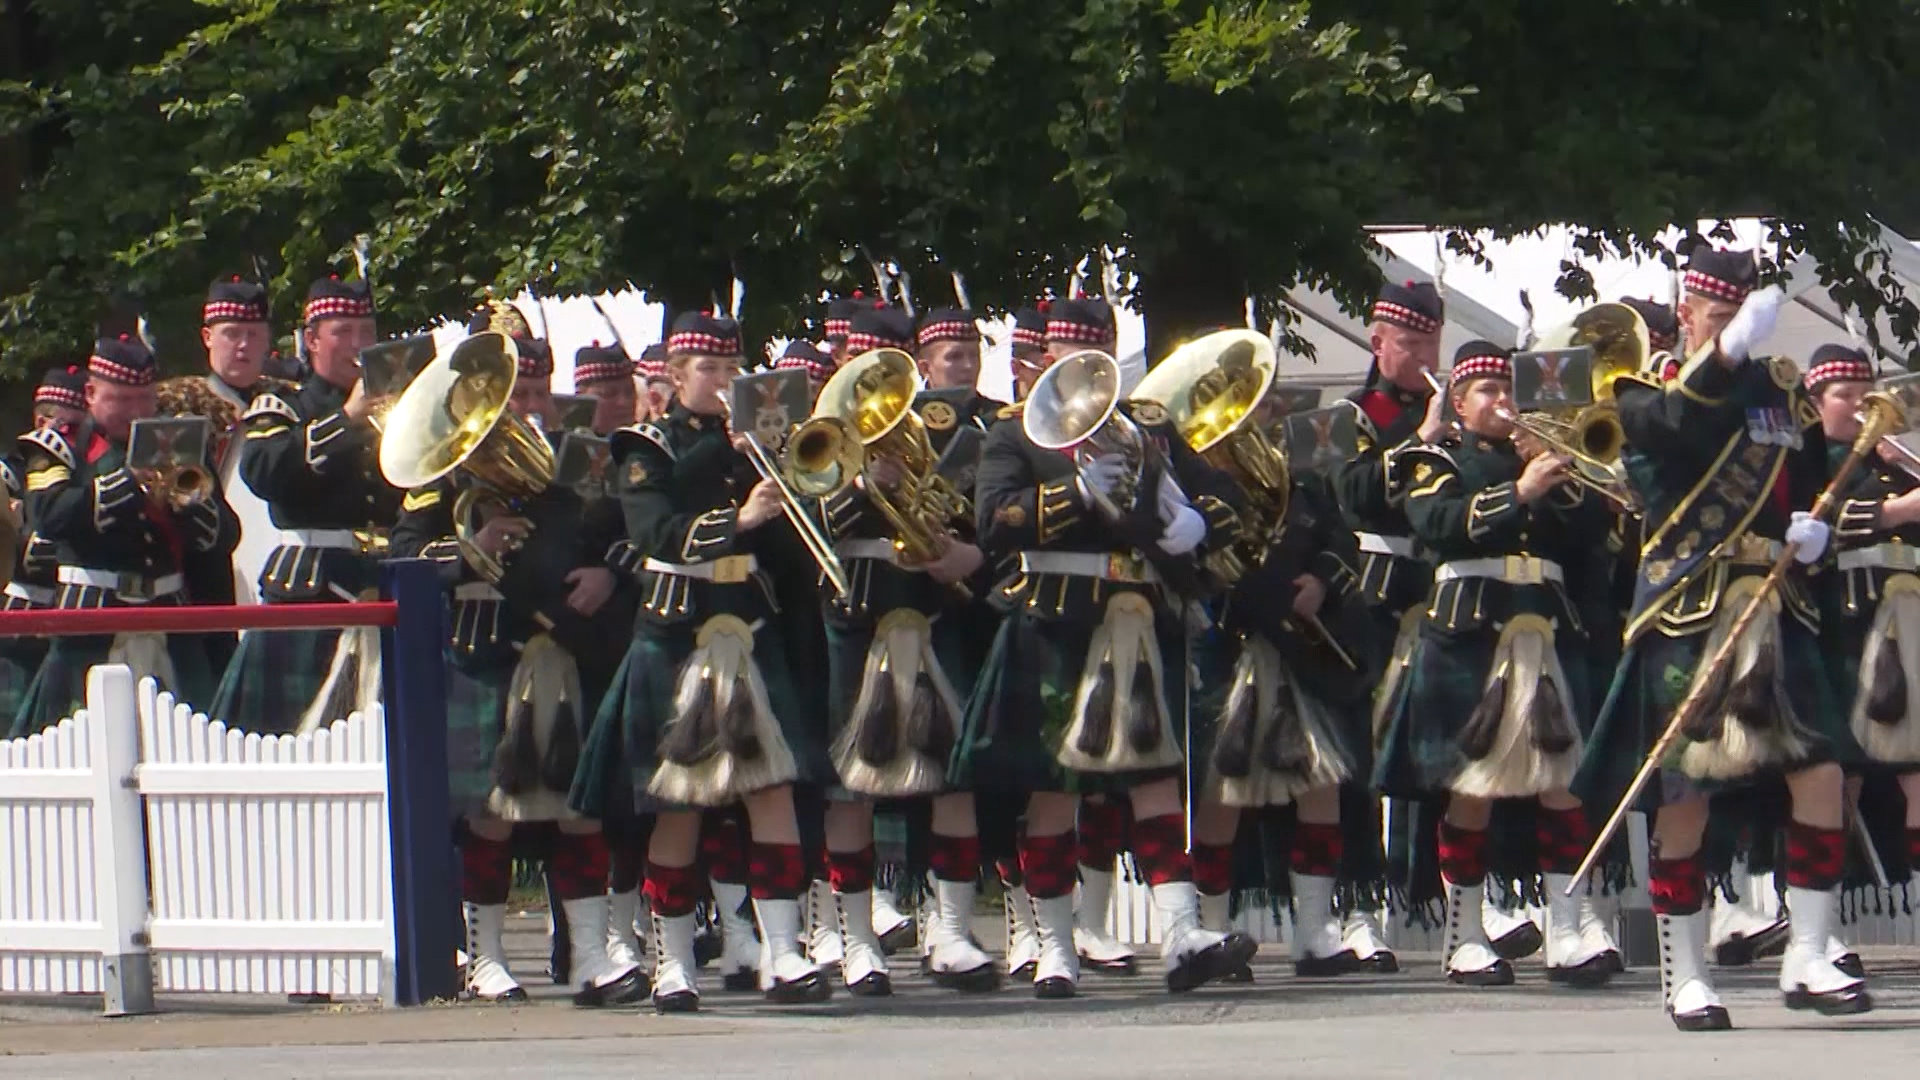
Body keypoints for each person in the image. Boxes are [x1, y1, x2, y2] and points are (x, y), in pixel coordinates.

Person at [1573, 248, 1870, 1030]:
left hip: (1776, 602)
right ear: (1686, 310)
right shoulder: (1641, 387)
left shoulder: (1781, 393)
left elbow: (1810, 484)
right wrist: (1728, 351)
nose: (1730, 322)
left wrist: (1817, 534)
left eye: (1739, 311)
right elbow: (1668, 436)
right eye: (1716, 311)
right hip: (1689, 609)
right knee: (1686, 791)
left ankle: (1808, 951)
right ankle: (1686, 970)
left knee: (1821, 771)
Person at [952, 296, 1257, 998]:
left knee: (1155, 779)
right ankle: (1056, 944)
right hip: (1057, 619)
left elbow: (1224, 497)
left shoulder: (1149, 428)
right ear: (1045, 359)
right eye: (1067, 357)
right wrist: (1073, 497)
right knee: (1055, 788)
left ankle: (1182, 935)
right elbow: (994, 521)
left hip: (1136, 619)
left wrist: (1197, 523)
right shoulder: (1015, 433)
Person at [570, 311, 836, 1010]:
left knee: (771, 789)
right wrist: (739, 508)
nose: (723, 384)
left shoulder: (757, 447)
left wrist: (784, 488)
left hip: (748, 623)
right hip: (677, 628)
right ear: (676, 379)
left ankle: (783, 951)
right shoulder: (645, 446)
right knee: (678, 802)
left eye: (731, 371)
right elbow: (656, 530)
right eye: (709, 372)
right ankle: (673, 961)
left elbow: (788, 549)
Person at [391, 333, 644, 1008]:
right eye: (511, 396)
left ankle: (591, 955)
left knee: (578, 812)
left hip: (562, 657)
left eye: (533, 394)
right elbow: (405, 561)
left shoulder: (567, 481)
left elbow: (622, 535)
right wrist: (472, 548)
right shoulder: (442, 486)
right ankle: (486, 958)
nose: (522, 410)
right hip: (484, 655)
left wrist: (607, 575)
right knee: (490, 815)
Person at [1374, 342, 1622, 988]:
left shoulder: (1542, 459)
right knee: (1472, 787)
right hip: (1470, 633)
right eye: (1486, 391)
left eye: (1509, 391)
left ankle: (1566, 930)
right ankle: (1465, 935)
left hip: (1546, 628)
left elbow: (1595, 528)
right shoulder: (1438, 459)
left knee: (1563, 780)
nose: (1504, 404)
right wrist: (1518, 492)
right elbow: (1438, 523)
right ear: (1458, 402)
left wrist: (1555, 475)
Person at [15, 335, 237, 733]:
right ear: (90, 393)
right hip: (91, 620)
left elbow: (224, 535)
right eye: (122, 400)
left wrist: (188, 506)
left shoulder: (181, 443)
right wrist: (128, 483)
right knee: (74, 742)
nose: (137, 413)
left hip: (169, 619)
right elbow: (49, 515)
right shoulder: (58, 445)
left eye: (145, 400)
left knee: (194, 737)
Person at [209, 276, 398, 735]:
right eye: (344, 332)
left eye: (368, 332)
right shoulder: (282, 404)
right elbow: (265, 472)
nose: (359, 344)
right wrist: (348, 419)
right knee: (281, 742)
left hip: (386, 580)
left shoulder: (396, 407)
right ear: (312, 340)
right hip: (312, 585)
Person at [1329, 281, 1449, 971]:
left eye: (1432, 340)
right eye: (1411, 342)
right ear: (1378, 343)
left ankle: (1443, 897)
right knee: (1364, 755)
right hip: (1372, 595)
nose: (1426, 353)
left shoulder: (1457, 408)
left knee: (1443, 746)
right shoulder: (1353, 412)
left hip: (1438, 592)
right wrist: (1424, 438)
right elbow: (1351, 493)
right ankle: (1359, 906)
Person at [0, 368, 86, 737]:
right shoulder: (8, 475)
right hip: (22, 632)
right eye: (69, 427)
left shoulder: (85, 473)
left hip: (70, 620)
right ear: (41, 422)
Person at [573, 343, 638, 435]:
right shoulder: (559, 445)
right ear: (581, 396)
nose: (624, 402)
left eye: (630, 392)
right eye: (608, 394)